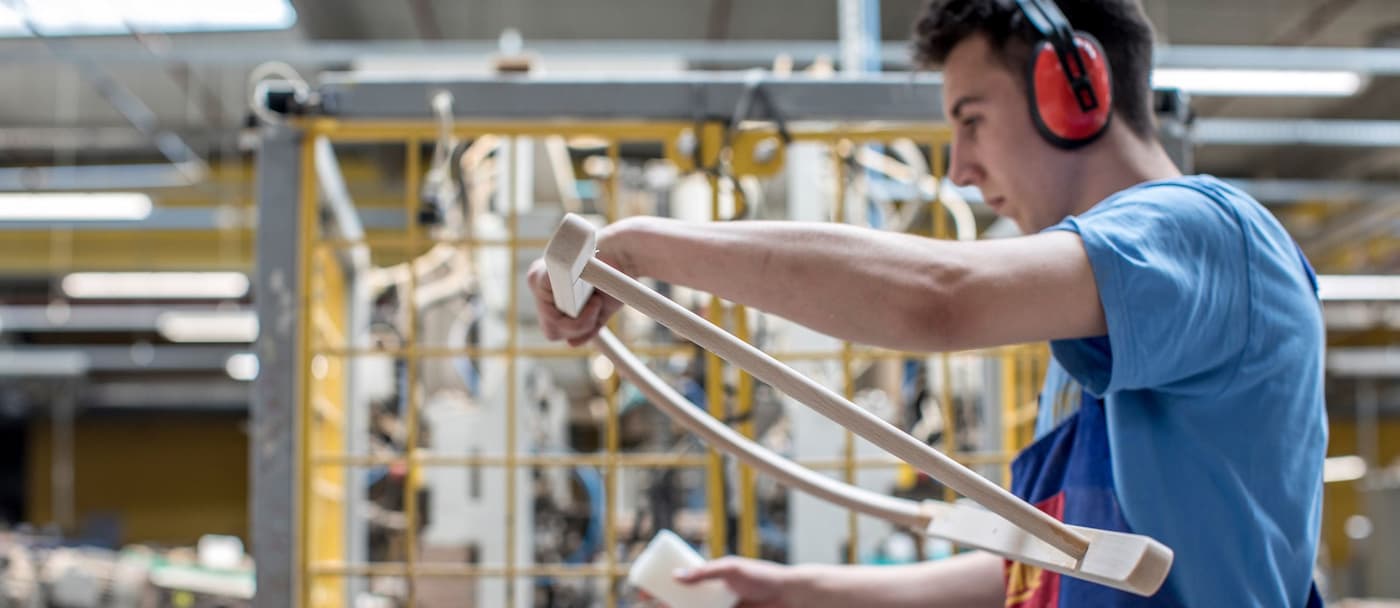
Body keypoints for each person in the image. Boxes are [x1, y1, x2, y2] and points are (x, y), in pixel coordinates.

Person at [527, 0, 1327, 605]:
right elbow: (1044, 564)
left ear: (1073, 88)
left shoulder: (1210, 236)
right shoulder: (1105, 329)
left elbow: (939, 300)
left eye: (971, 121)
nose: (960, 171)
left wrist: (639, 249)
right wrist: (803, 590)